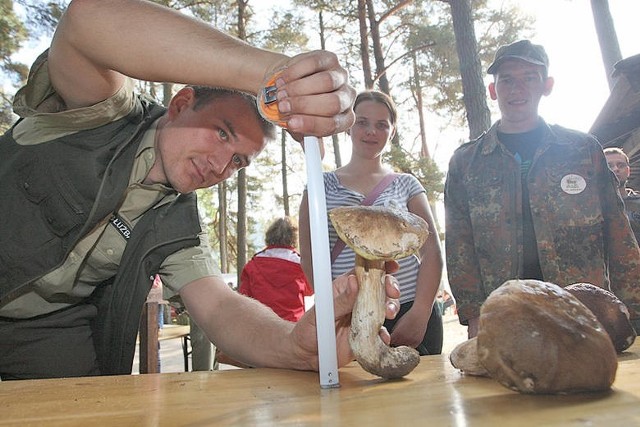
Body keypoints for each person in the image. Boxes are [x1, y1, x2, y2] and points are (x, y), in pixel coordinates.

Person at [0, 0, 401, 380]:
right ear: (181, 103)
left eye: (239, 160)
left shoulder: (179, 221)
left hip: (43, 329)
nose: (221, 165)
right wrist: (276, 76)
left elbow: (220, 306)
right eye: (222, 132)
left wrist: (293, 345)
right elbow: (87, 20)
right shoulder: (101, 113)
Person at [444, 39, 640, 339]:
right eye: (506, 80)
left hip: (583, 315)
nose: (516, 88)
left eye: (529, 78)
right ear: (493, 91)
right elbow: (460, 247)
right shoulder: (467, 162)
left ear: (546, 85)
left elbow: (618, 233)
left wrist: (633, 311)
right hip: (507, 317)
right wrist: (473, 316)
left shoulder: (582, 150)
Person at [299, 90, 445, 355]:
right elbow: (309, 256)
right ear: (348, 127)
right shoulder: (320, 186)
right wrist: (335, 307)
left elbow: (432, 250)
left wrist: (421, 313)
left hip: (411, 308)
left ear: (391, 131)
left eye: (381, 125)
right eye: (362, 122)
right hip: (349, 312)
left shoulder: (406, 184)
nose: (371, 132)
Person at [239, 217, 313, 322]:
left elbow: (244, 297)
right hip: (293, 327)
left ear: (269, 235)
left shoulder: (253, 265)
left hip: (262, 325)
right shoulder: (301, 265)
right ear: (294, 237)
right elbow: (310, 289)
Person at [604, 147, 640, 244]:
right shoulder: (592, 207)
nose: (616, 169)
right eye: (609, 166)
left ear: (628, 171)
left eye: (621, 165)